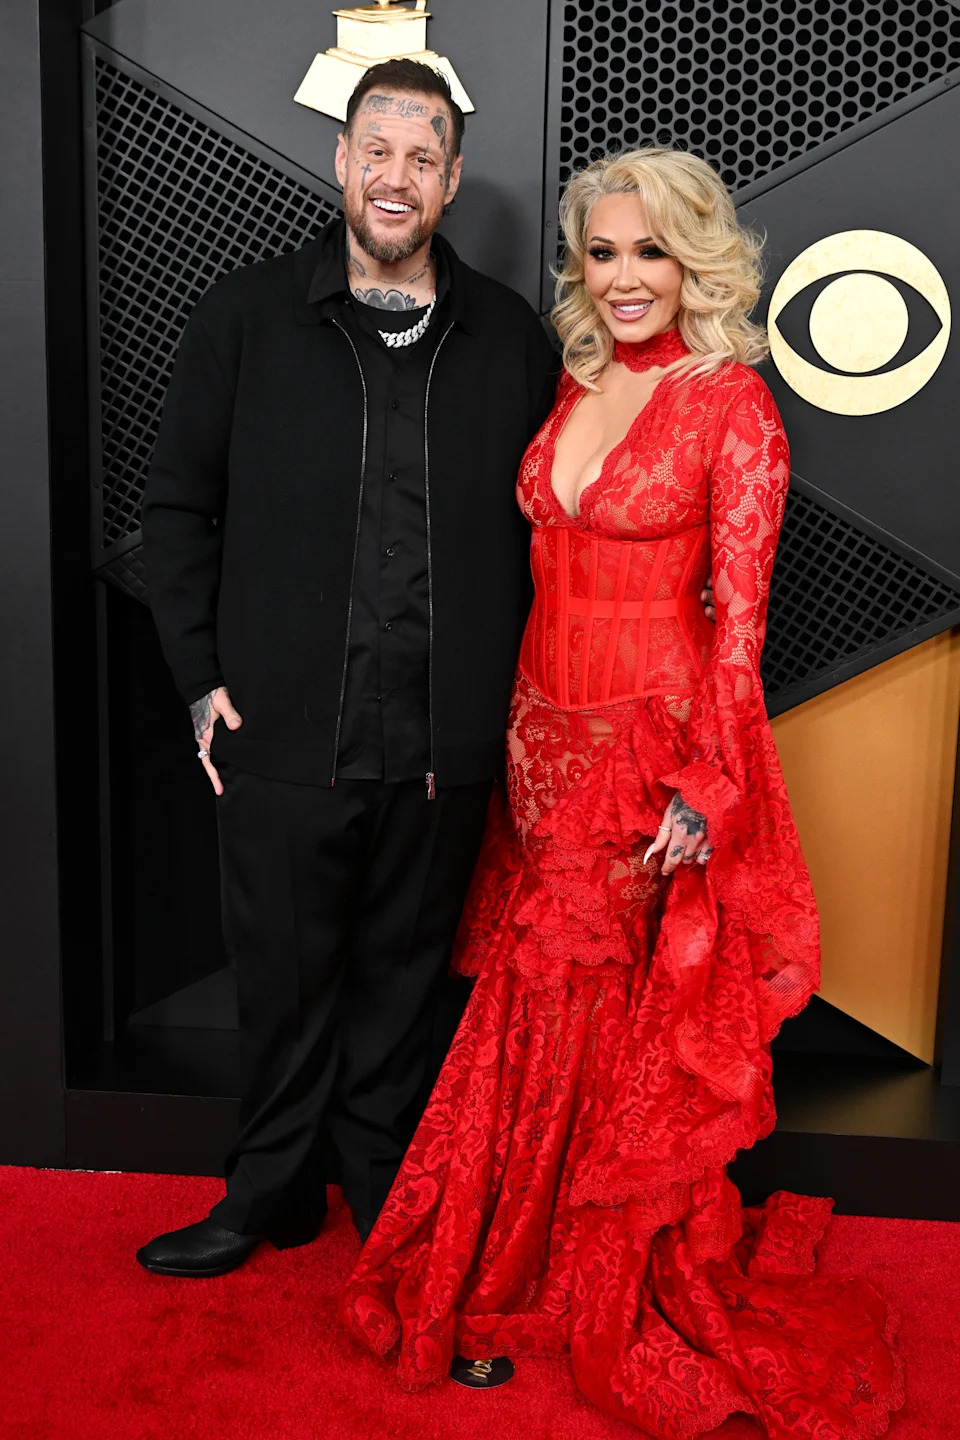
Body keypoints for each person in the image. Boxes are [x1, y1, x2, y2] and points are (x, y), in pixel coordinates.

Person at [342, 149, 903, 1436]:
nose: (625, 277)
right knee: (549, 1002)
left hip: (643, 750)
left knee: (585, 1007)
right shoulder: (574, 377)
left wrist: (708, 778)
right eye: (603, 254)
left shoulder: (734, 408)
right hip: (537, 735)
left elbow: (741, 621)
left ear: (698, 258)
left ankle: (543, 1265)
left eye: (651, 251)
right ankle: (519, 1245)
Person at [136, 59, 559, 1277]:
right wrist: (201, 678)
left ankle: (386, 1193)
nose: (397, 175)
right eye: (377, 149)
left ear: (454, 180)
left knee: (403, 994)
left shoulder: (507, 342)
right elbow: (176, 510)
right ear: (340, 160)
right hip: (281, 734)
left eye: (423, 157)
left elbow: (550, 536)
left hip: (442, 747)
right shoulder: (246, 317)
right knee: (282, 982)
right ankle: (265, 1195)